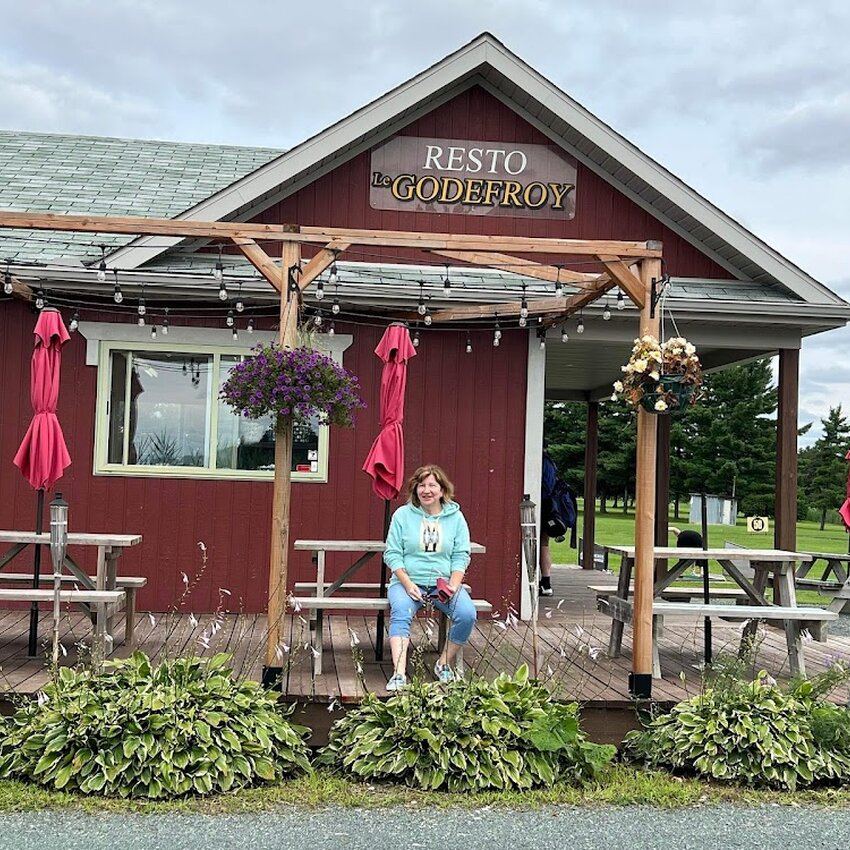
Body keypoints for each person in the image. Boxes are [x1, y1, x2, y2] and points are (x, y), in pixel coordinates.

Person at [383, 464, 476, 691]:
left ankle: (443, 663)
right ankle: (399, 674)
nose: (426, 490)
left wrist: (453, 585)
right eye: (421, 485)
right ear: (415, 490)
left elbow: (461, 555)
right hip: (406, 582)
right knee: (401, 612)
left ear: (442, 490)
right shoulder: (402, 516)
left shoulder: (456, 518)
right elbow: (392, 553)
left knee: (466, 614)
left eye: (432, 485)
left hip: (442, 583)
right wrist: (407, 583)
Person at [539, 449, 558, 596]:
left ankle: (543, 583)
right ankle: (546, 582)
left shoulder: (541, 461)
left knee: (539, 544)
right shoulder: (551, 463)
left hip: (542, 507)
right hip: (549, 508)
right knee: (544, 544)